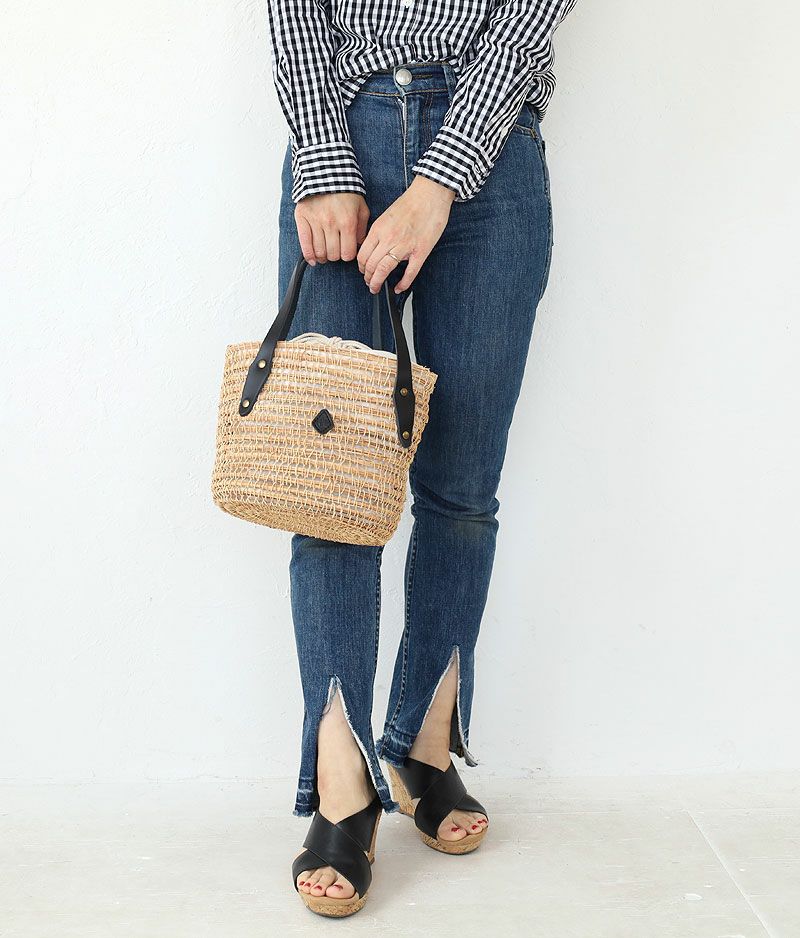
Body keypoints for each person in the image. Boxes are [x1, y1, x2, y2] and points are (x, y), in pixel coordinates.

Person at [265, 0, 578, 918]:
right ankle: (341, 781)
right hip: (344, 129)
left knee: (463, 490)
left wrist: (440, 181)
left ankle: (423, 743)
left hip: (492, 150)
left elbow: (522, 25)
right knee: (332, 490)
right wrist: (325, 160)